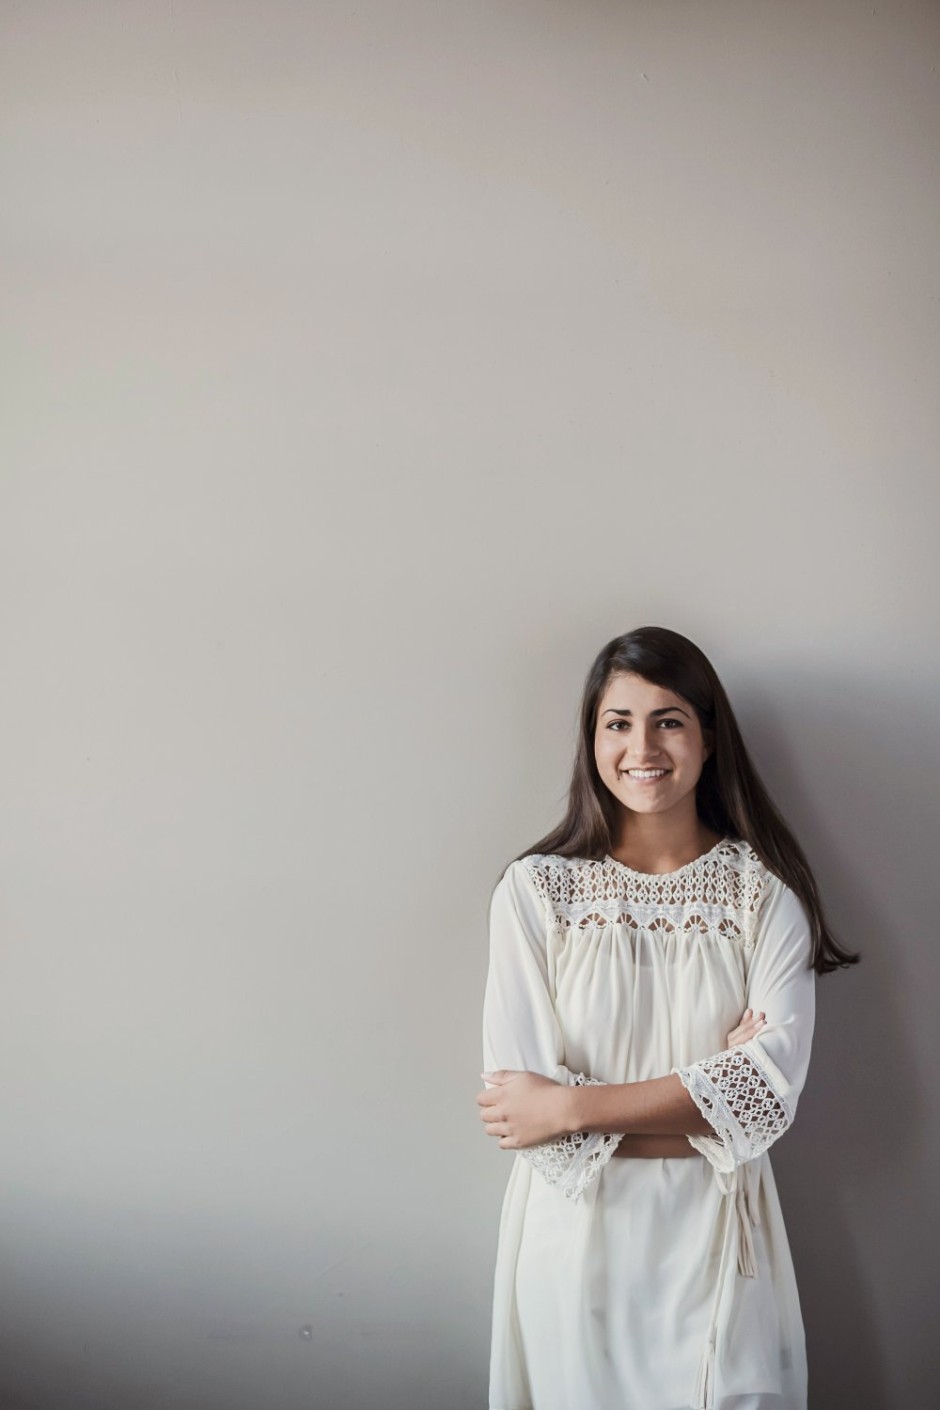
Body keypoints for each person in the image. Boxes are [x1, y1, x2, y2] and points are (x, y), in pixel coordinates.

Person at [476, 625, 858, 1410]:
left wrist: (571, 1106)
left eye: (669, 721)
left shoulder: (762, 896)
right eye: (618, 722)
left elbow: (766, 1098)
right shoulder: (536, 893)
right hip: (574, 1248)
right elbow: (525, 1121)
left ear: (708, 739)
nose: (642, 747)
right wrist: (709, 1108)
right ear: (592, 740)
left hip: (718, 1244)